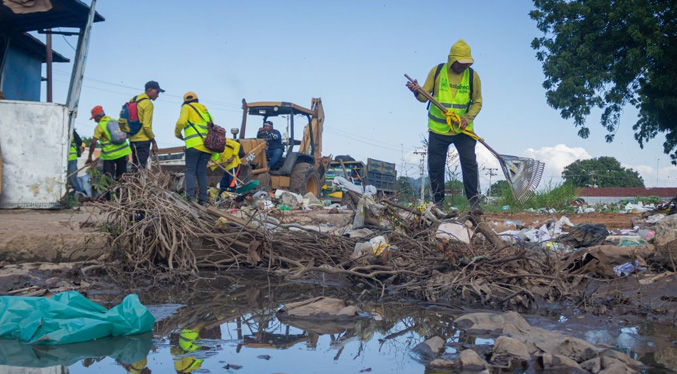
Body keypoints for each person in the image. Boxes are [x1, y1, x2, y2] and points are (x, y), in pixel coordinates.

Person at [406, 39, 483, 215]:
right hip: (438, 129)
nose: (463, 66)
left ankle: (474, 203)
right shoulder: (438, 71)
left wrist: (467, 117)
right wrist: (417, 91)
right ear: (452, 60)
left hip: (463, 129)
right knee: (435, 166)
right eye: (460, 63)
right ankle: (438, 203)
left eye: (466, 63)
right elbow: (424, 97)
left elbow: (477, 102)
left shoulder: (473, 76)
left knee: (470, 164)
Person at [175, 91, 213, 205]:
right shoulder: (206, 111)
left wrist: (177, 133)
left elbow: (181, 122)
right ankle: (203, 200)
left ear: (185, 101)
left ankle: (190, 197)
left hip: (193, 145)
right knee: (201, 172)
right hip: (207, 147)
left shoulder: (186, 107)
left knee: (190, 171)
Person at [87, 105, 132, 197]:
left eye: (94, 118)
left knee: (107, 177)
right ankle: (122, 198)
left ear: (98, 116)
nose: (95, 120)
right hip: (123, 152)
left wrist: (89, 157)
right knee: (121, 177)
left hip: (109, 156)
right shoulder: (114, 121)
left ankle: (108, 198)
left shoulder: (100, 126)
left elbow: (93, 143)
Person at [127, 80, 163, 170]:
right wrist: (154, 142)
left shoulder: (133, 99)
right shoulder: (148, 103)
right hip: (143, 141)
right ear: (149, 90)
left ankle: (131, 183)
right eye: (157, 92)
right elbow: (146, 126)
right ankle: (136, 184)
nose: (158, 95)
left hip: (132, 140)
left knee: (135, 166)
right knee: (140, 168)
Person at [67, 128, 85, 195]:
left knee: (73, 177)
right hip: (63, 159)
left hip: (71, 158)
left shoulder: (72, 131)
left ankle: (78, 193)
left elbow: (80, 142)